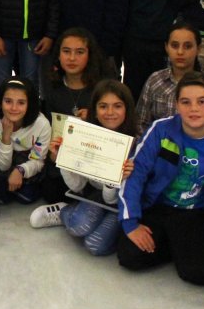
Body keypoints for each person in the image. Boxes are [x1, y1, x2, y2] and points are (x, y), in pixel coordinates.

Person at [117, 72, 204, 286]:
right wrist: (131, 223)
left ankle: (191, 251)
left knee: (199, 273)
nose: (193, 109)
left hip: (197, 214)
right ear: (177, 106)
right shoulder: (160, 130)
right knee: (129, 256)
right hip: (159, 207)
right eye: (186, 102)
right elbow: (135, 173)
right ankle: (179, 248)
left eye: (202, 101)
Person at [31, 80, 137, 258]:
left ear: (127, 108)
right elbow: (78, 186)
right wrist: (63, 159)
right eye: (103, 106)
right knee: (78, 226)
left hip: (121, 204)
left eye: (117, 106)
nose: (110, 112)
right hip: (96, 196)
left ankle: (93, 219)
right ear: (94, 109)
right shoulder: (87, 134)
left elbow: (111, 200)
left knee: (95, 245)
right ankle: (64, 210)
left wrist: (114, 179)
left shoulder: (137, 142)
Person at [136, 20, 204, 135]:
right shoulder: (155, 81)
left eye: (188, 46)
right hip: (159, 144)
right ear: (166, 47)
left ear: (198, 49)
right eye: (174, 46)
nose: (180, 52)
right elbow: (140, 124)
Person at [0, 77, 51, 206]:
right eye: (8, 101)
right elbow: (2, 166)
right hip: (1, 162)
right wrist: (6, 136)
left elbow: (38, 161)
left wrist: (21, 170)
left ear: (29, 104)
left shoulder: (42, 124)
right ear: (0, 102)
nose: (14, 108)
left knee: (28, 195)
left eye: (21, 103)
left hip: (27, 162)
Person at [41, 27, 112, 120]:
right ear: (58, 55)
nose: (72, 58)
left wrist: (95, 118)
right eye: (66, 51)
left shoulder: (103, 88)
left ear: (90, 55)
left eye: (80, 52)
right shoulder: (51, 85)